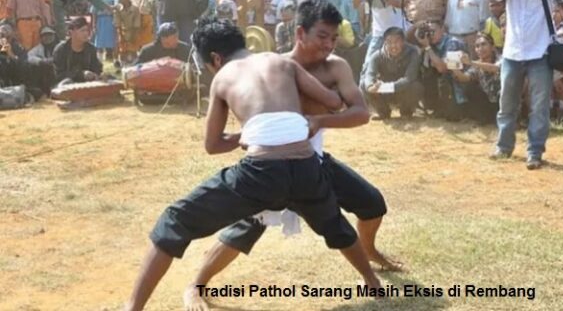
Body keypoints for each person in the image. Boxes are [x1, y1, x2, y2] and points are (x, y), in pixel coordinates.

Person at [123, 17, 381, 311]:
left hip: (261, 171)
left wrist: (247, 132)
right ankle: (372, 282)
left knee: (173, 221)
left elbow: (213, 145)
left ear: (215, 59)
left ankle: (132, 308)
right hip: (306, 164)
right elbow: (335, 102)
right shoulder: (280, 61)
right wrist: (296, 115)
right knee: (333, 223)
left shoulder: (222, 77)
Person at [180, 0, 400, 310]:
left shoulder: (336, 67)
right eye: (322, 36)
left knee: (371, 204)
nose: (329, 44)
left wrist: (319, 121)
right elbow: (242, 122)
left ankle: (370, 258)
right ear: (300, 32)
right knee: (247, 228)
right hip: (269, 165)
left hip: (314, 160)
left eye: (334, 38)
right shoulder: (273, 66)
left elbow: (361, 113)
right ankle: (196, 284)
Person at [488, 0, 558, 169]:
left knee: (539, 105)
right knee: (506, 102)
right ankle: (503, 146)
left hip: (541, 51)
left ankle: (535, 151)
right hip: (513, 51)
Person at [362, 26, 422, 119]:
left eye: (397, 41)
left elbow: (409, 78)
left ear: (403, 41)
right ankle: (383, 112)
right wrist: (371, 87)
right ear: (384, 42)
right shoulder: (377, 56)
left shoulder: (413, 53)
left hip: (403, 90)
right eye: (389, 42)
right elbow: (369, 75)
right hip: (384, 92)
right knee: (364, 84)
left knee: (416, 86)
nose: (393, 46)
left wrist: (389, 87)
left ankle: (406, 112)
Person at [416, 20, 467, 120]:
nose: (430, 35)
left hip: (460, 87)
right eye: (428, 33)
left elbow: (442, 69)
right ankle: (435, 107)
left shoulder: (453, 43)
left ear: (442, 29)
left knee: (453, 117)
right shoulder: (433, 44)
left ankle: (453, 108)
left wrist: (427, 47)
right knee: (425, 72)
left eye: (433, 31)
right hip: (448, 86)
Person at [451, 32, 501, 124]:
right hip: (489, 104)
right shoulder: (476, 64)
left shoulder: (501, 58)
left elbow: (494, 68)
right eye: (477, 46)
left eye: (483, 44)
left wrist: (470, 62)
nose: (480, 49)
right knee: (469, 88)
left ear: (493, 47)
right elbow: (464, 78)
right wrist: (454, 67)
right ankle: (483, 118)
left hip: (503, 103)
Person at [52, 17, 104, 86]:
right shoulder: (61, 49)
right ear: (71, 32)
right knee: (67, 82)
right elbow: (58, 75)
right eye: (82, 30)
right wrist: (81, 74)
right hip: (64, 86)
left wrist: (96, 74)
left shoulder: (91, 48)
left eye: (87, 30)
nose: (86, 33)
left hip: (87, 85)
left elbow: (96, 68)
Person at [26, 25, 59, 97]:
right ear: (41, 38)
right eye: (45, 35)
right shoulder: (38, 48)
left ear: (54, 35)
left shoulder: (61, 46)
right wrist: (41, 61)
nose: (48, 37)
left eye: (50, 35)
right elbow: (29, 56)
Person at [114, 0, 142, 66]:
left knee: (133, 50)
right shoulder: (118, 8)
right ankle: (123, 66)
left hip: (133, 32)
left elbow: (137, 24)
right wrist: (120, 35)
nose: (120, 0)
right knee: (123, 50)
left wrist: (133, 36)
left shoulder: (135, 9)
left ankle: (134, 66)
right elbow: (117, 23)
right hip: (122, 32)